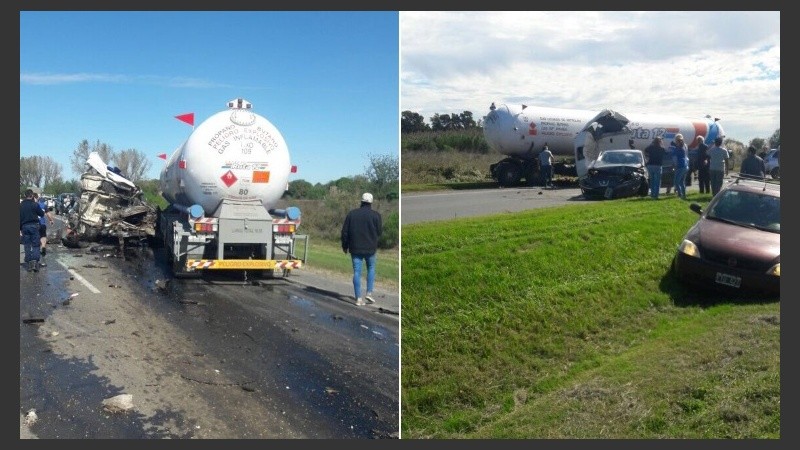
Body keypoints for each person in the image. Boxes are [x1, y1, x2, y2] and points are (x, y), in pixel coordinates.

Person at [341, 192, 382, 306]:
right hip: (371, 248)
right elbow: (379, 232)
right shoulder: (376, 215)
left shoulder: (352, 214)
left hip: (355, 248)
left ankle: (358, 298)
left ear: (361, 201)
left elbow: (345, 232)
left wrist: (345, 246)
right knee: (371, 268)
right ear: (371, 202)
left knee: (357, 272)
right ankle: (369, 293)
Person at [20, 189, 45, 272]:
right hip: (34, 226)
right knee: (35, 245)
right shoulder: (35, 204)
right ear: (32, 196)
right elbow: (41, 214)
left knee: (27, 245)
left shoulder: (21, 205)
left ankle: (29, 263)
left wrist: (20, 229)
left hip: (24, 227)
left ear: (25, 195)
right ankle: (34, 263)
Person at [34, 193, 55, 267]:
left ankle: (36, 249)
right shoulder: (43, 205)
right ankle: (43, 247)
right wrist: (51, 220)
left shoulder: (32, 205)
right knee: (43, 236)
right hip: (42, 224)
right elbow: (48, 214)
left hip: (34, 224)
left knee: (36, 237)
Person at [669, 134, 689, 199]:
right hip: (685, 165)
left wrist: (674, 165)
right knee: (682, 181)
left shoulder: (677, 149)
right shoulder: (684, 147)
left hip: (679, 166)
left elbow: (674, 158)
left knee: (676, 182)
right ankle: (684, 194)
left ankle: (680, 194)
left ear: (676, 141)